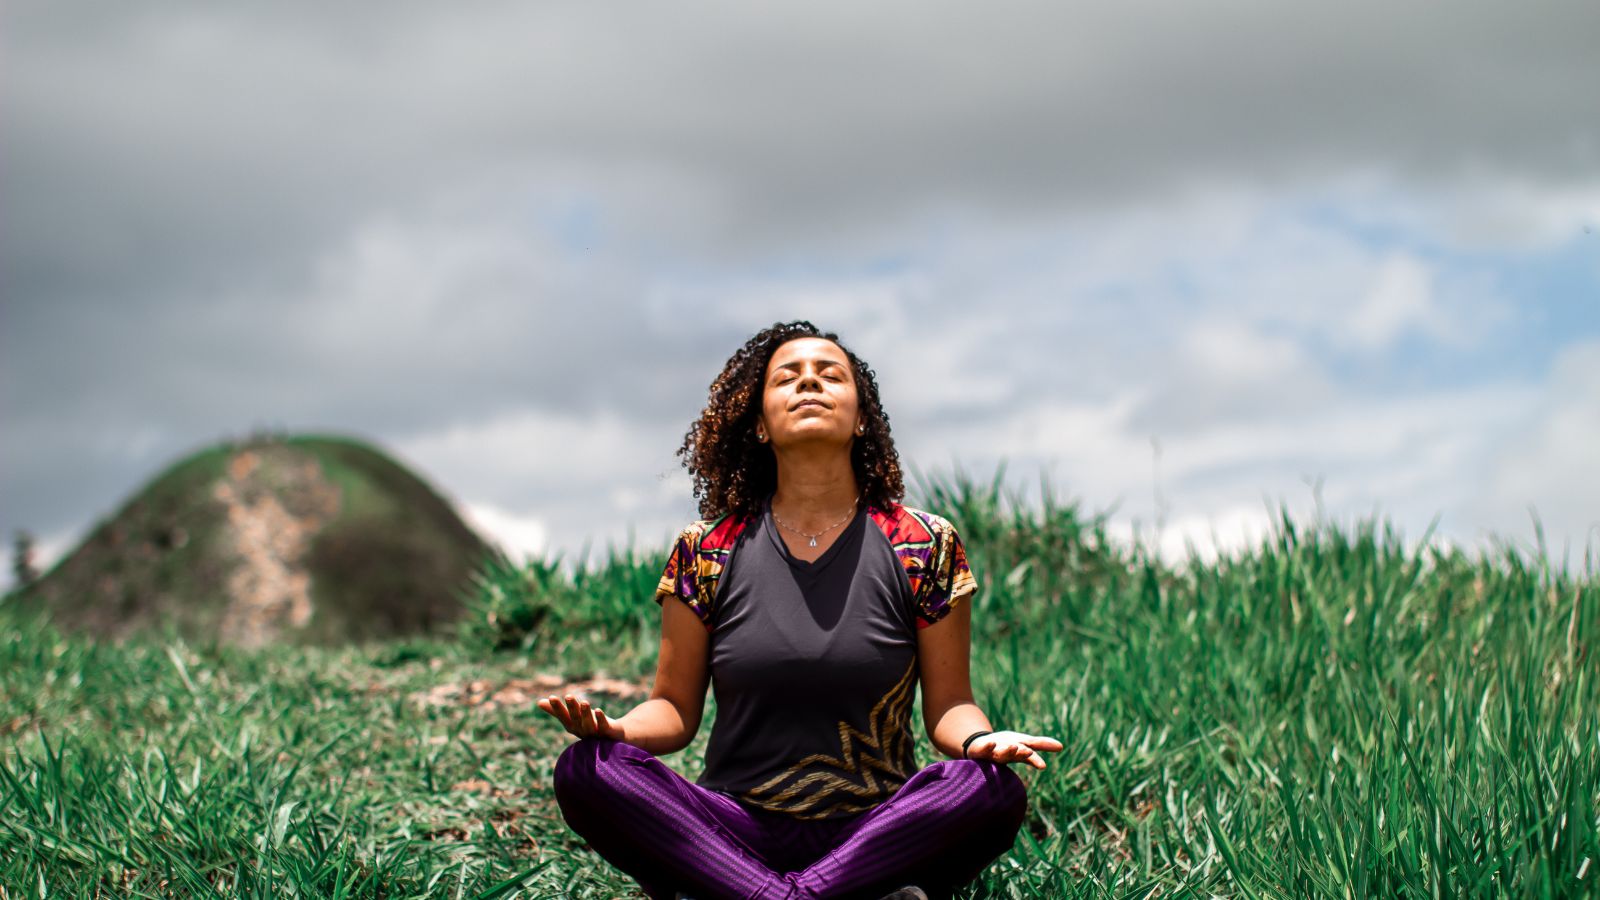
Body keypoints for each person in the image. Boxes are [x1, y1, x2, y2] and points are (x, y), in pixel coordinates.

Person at [539, 321, 1063, 900]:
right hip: (738, 828)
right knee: (587, 769)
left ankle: (757, 894)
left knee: (989, 787)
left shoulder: (924, 542)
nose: (809, 383)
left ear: (861, 417)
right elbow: (672, 708)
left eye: (829, 375)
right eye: (787, 378)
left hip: (876, 830)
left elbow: (951, 705)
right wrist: (616, 730)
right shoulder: (707, 549)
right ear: (760, 425)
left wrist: (978, 744)